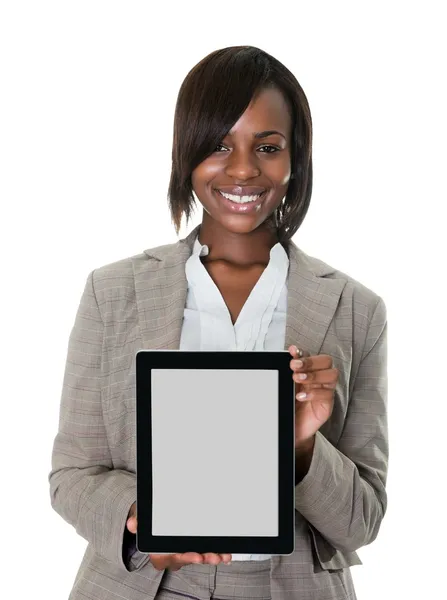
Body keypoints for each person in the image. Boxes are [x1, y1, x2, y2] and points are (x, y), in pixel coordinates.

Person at [49, 45, 388, 600]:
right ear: (186, 153)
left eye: (268, 147)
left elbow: (363, 521)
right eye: (218, 144)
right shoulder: (111, 293)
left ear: (295, 157)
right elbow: (71, 476)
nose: (243, 169)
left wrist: (302, 448)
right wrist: (143, 524)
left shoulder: (356, 310)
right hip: (146, 585)